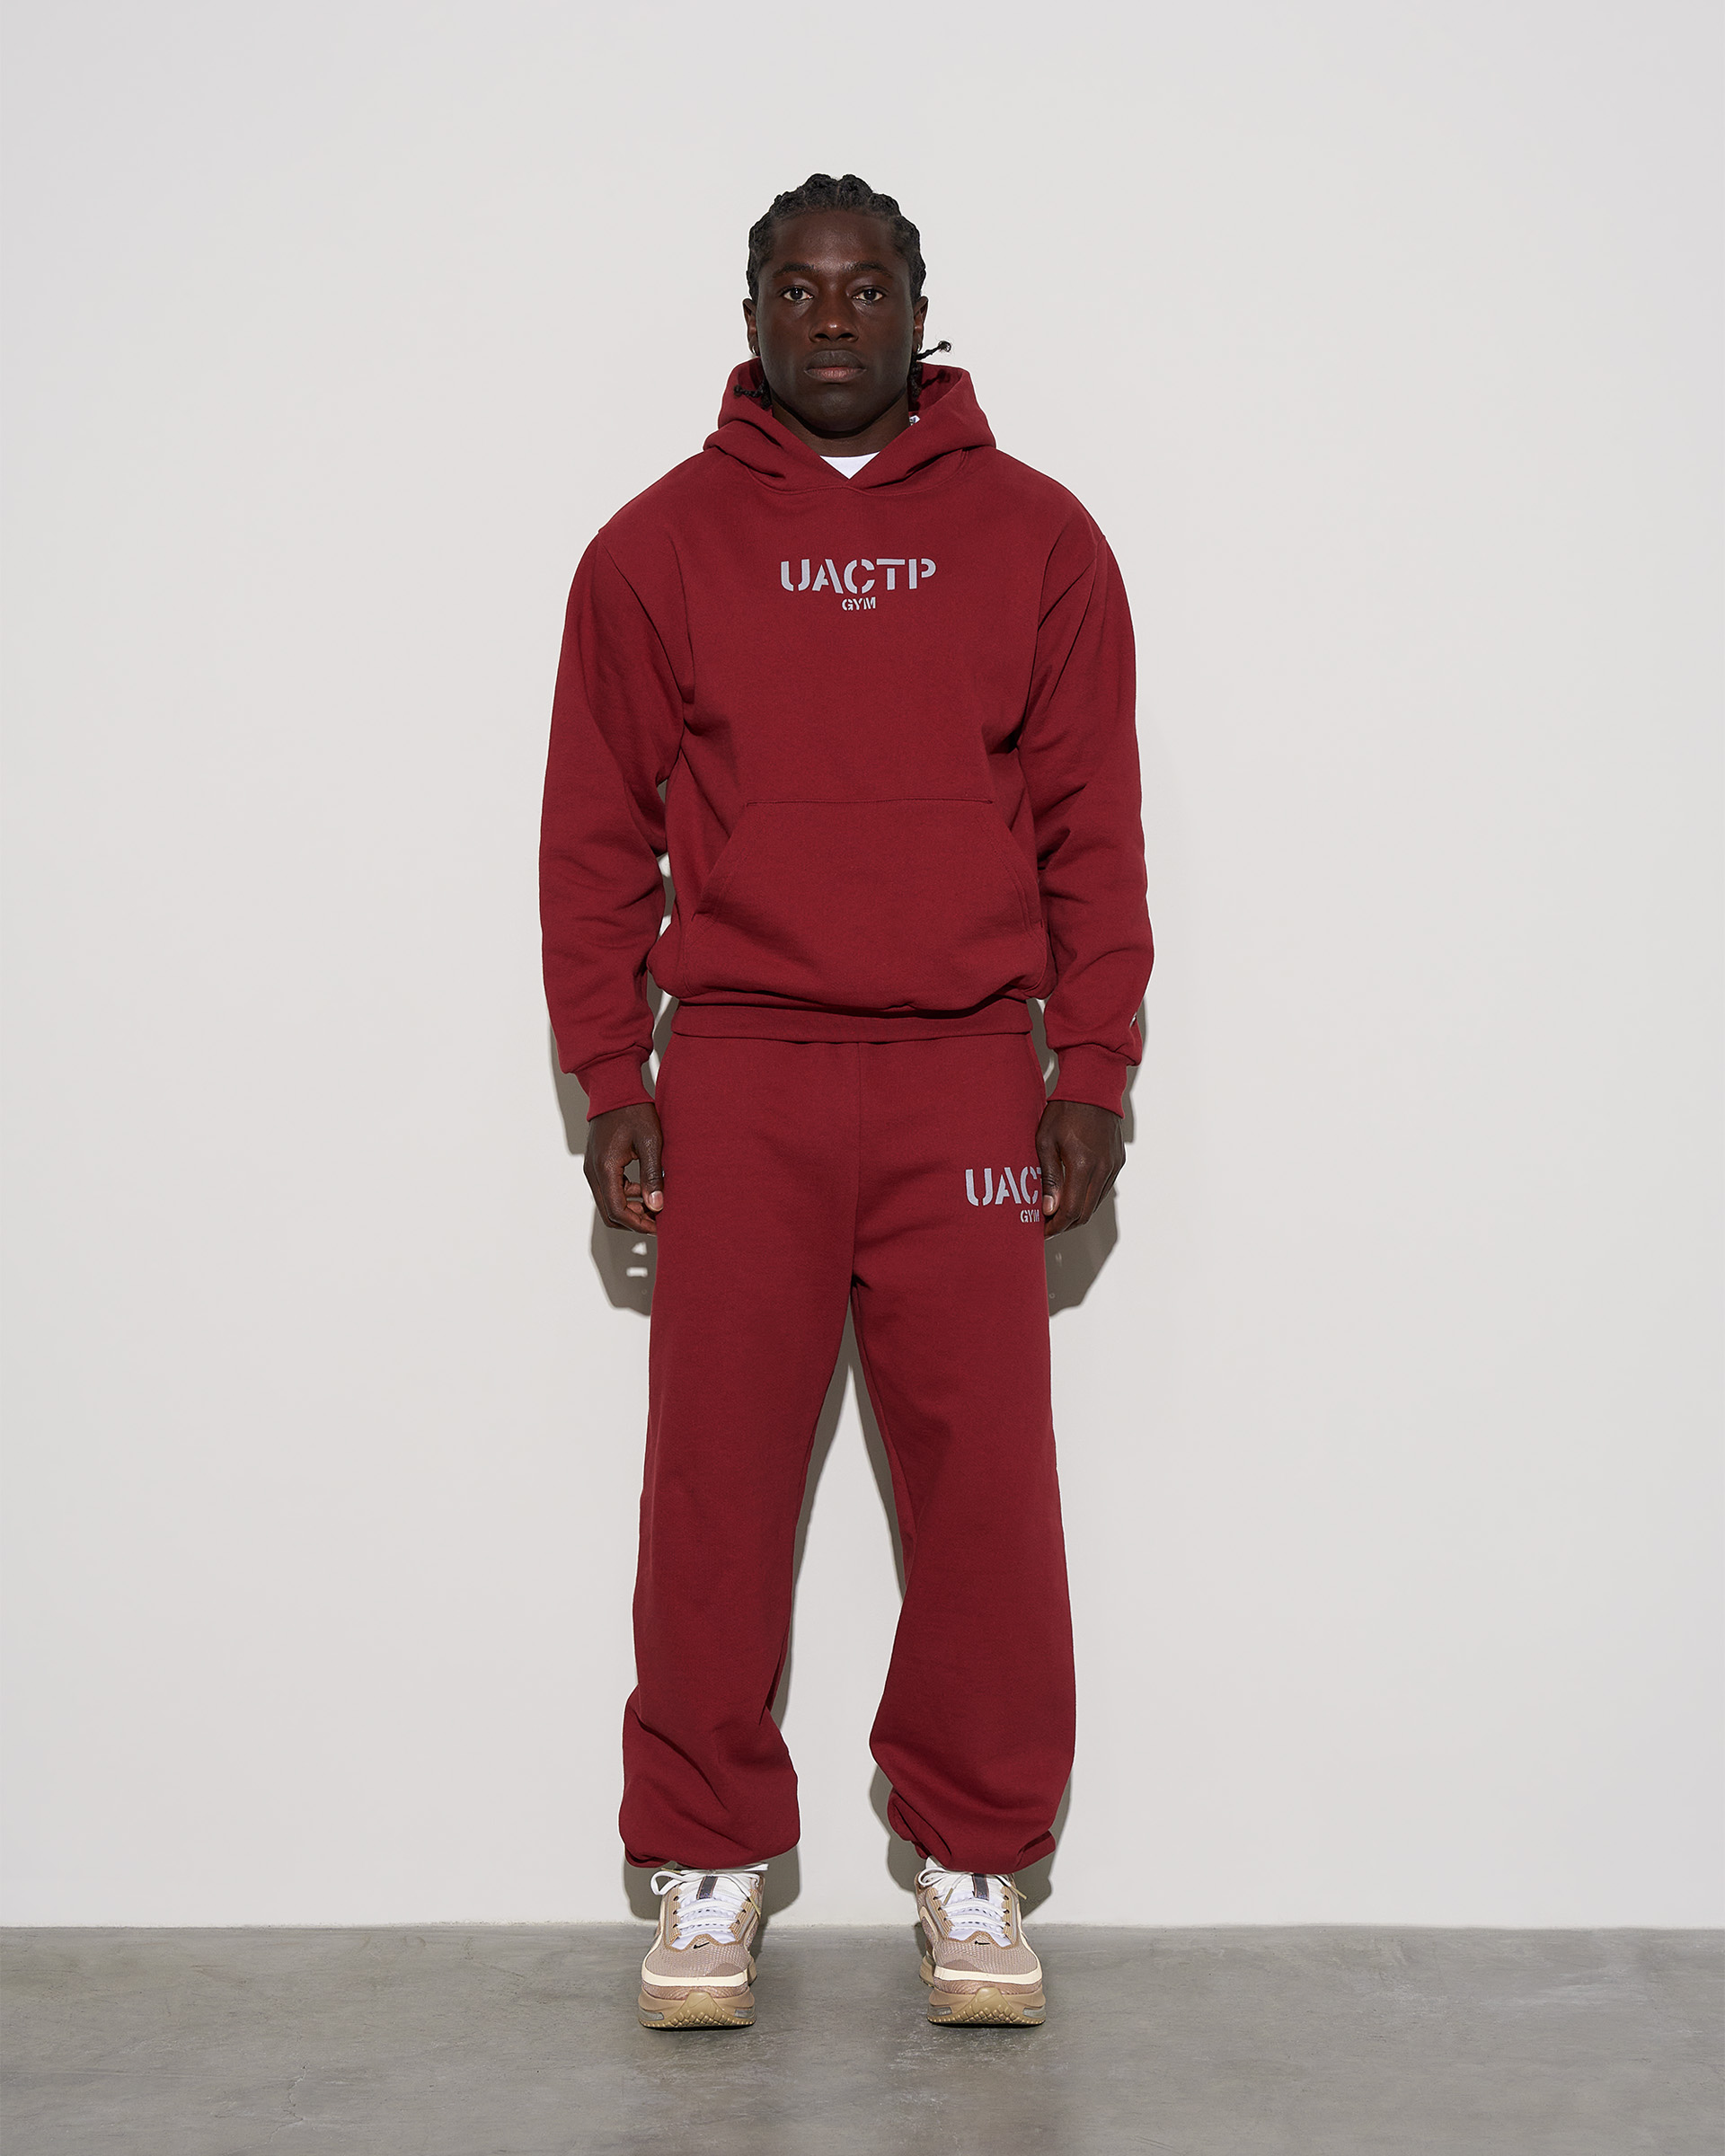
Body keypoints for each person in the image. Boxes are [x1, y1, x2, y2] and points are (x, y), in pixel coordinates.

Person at [540, 172, 1153, 2031]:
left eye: (864, 288)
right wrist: (612, 1075)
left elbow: (1093, 827)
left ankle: (976, 1862)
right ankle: (707, 1859)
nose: (830, 320)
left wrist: (1093, 1064)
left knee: (986, 1495)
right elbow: (593, 839)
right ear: (748, 316)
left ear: (916, 308)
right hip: (740, 1075)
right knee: (714, 1492)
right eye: (796, 291)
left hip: (967, 1074)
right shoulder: (654, 549)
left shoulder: (1039, 539)